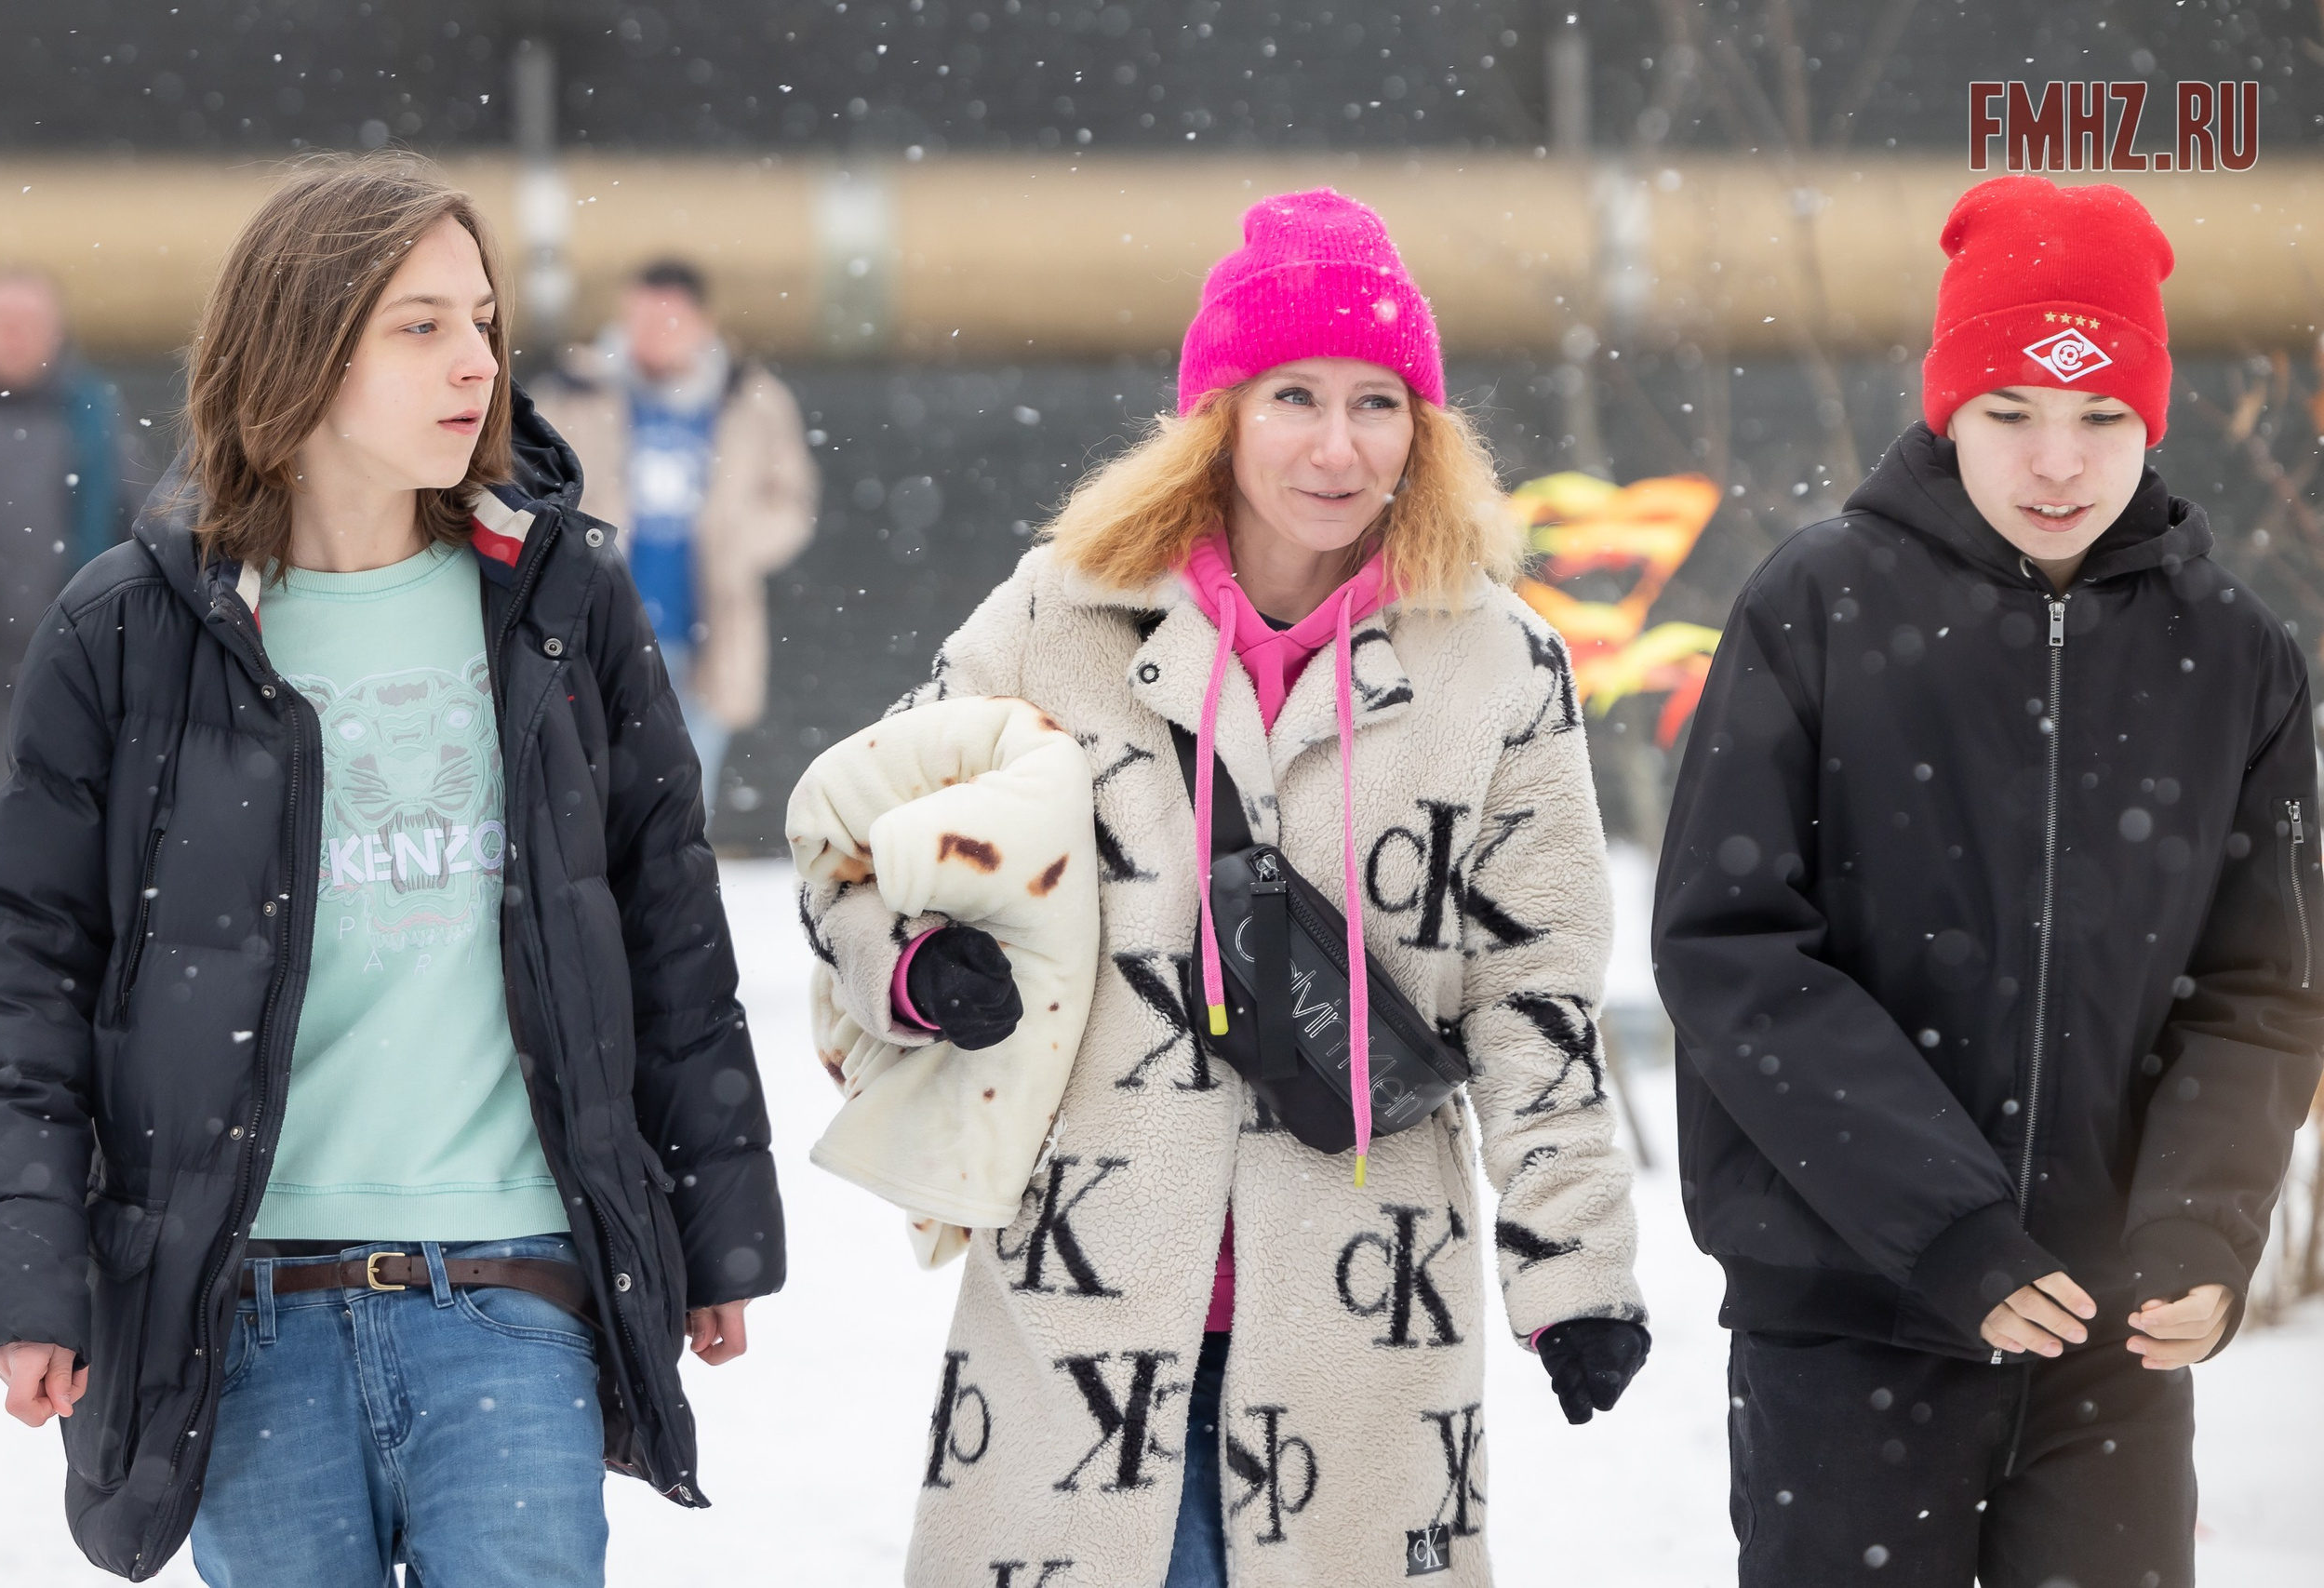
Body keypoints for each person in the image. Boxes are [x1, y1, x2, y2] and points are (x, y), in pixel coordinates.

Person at [0, 154, 785, 1586]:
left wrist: (715, 1221)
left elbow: (665, 918)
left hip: (515, 1289)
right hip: (243, 1307)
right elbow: (32, 969)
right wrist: (28, 1272)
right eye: (420, 326)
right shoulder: (129, 630)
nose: (476, 361)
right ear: (302, 345)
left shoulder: (562, 597)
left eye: (482, 321)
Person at [800, 190, 1649, 1588]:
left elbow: (1533, 988)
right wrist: (913, 962)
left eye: (1378, 402)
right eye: (1294, 395)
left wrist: (1576, 1271)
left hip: (1361, 1316)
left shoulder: (1500, 668)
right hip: (1082, 1309)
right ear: (1221, 414)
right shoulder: (1052, 619)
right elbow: (851, 848)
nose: (1337, 444)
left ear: (1424, 431)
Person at [1655, 174, 2324, 1587]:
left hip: (2107, 1343)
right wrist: (1947, 1225)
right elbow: (1735, 951)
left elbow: (2260, 984)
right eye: (2011, 410)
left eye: (2101, 418)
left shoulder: (2236, 656)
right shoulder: (1818, 605)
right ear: (1947, 405)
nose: (2058, 462)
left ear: (2150, 419)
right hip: (1854, 1319)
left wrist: (2202, 1224)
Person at [534, 259, 817, 818]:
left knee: (686, 799)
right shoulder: (574, 392)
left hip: (708, 630)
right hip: (595, 627)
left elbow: (792, 504)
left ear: (702, 324)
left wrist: (737, 545)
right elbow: (526, 487)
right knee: (590, 796)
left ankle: (674, 904)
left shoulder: (751, 398)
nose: (652, 336)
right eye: (640, 321)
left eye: (668, 322)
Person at [0, 268, 138, 927]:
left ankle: (54, 917)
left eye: (29, 324)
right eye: (2, 323)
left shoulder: (96, 417)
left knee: (65, 783)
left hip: (68, 649)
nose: (16, 338)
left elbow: (136, 520)